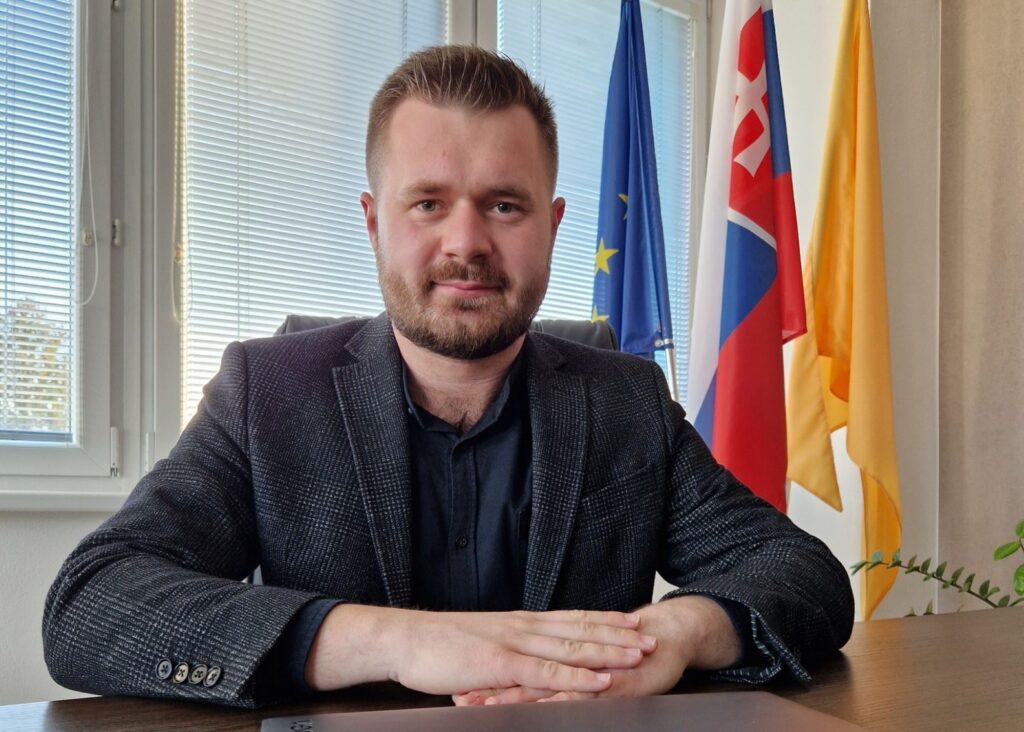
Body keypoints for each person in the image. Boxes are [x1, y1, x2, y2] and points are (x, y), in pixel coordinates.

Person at [42, 45, 853, 709]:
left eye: (504, 205)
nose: (465, 243)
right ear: (374, 223)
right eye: (428, 203)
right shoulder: (267, 392)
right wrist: (399, 640)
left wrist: (673, 636)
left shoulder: (627, 401)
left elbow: (804, 574)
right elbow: (91, 601)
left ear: (552, 226)